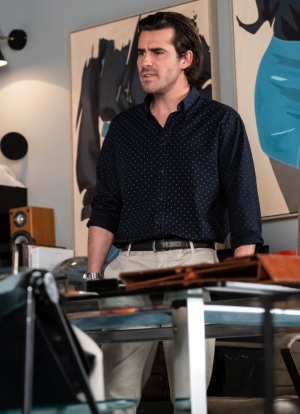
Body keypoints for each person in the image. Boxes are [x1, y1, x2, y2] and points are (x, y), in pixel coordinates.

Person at [85, 11, 263, 410]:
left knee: (189, 398)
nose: (145, 62)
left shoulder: (221, 122)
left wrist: (236, 282)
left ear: (185, 58)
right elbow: (106, 205)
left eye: (157, 52)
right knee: (113, 399)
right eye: (141, 53)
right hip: (128, 266)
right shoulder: (123, 128)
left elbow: (244, 211)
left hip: (194, 262)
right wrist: (94, 277)